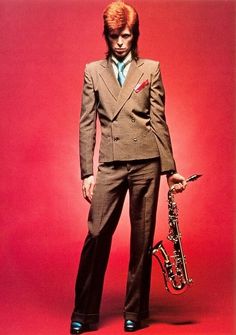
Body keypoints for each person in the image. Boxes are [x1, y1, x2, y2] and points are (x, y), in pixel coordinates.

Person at [70, 1, 186, 333]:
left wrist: (170, 169)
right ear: (105, 36)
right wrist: (87, 172)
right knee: (96, 233)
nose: (120, 42)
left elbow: (159, 121)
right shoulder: (93, 71)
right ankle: (84, 312)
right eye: (114, 36)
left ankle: (135, 310)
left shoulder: (150, 68)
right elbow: (86, 125)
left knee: (142, 238)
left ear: (135, 34)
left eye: (126, 35)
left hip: (146, 163)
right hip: (111, 163)